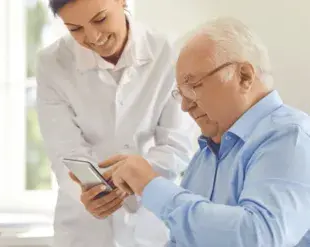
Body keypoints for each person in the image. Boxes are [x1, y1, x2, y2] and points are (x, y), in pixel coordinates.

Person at [96, 17, 310, 246]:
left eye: (193, 86)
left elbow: (258, 237)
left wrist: (151, 185)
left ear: (244, 76)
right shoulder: (206, 154)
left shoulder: (289, 136)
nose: (185, 106)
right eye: (180, 93)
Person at [35, 0, 194, 247]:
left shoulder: (168, 52)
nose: (93, 37)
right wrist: (87, 194)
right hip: (83, 228)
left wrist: (133, 180)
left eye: (100, 19)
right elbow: (64, 150)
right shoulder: (52, 63)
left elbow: (177, 144)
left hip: (150, 222)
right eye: (75, 29)